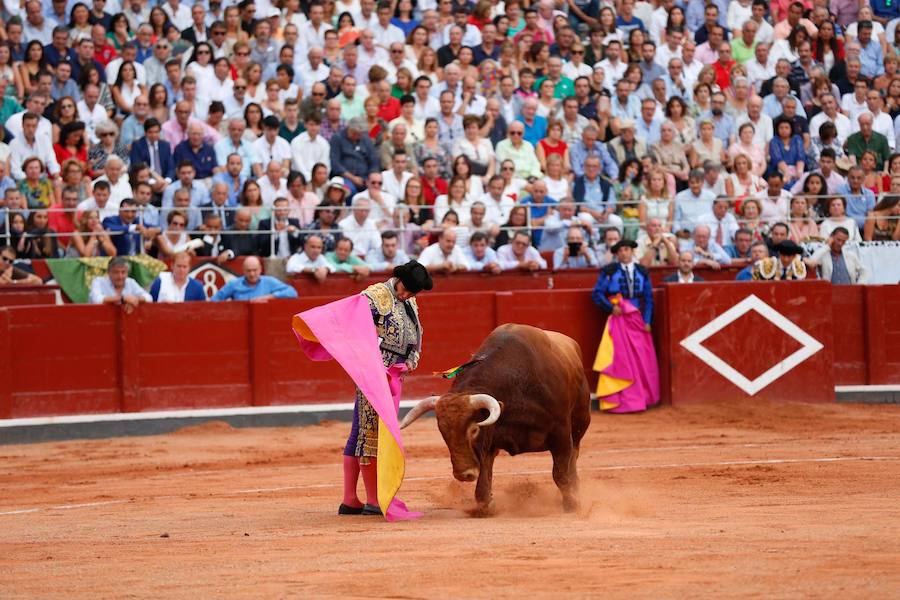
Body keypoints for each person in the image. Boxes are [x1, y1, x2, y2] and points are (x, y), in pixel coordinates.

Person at [337, 260, 432, 516]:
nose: (406, 295)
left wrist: (409, 363)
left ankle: (350, 499)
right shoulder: (374, 295)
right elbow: (352, 328)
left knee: (363, 430)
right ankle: (374, 500)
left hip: (394, 377)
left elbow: (417, 338)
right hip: (372, 373)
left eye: (412, 293)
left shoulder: (410, 302)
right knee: (371, 431)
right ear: (397, 278)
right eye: (405, 290)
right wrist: (372, 363)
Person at [591, 238, 659, 413]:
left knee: (640, 360)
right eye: (620, 251)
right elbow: (597, 294)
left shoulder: (642, 272)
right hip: (620, 320)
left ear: (632, 251)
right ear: (617, 254)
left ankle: (642, 398)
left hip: (637, 320)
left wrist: (647, 321)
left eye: (627, 249)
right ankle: (622, 401)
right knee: (620, 359)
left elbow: (649, 299)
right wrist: (610, 307)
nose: (624, 253)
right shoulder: (609, 271)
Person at [211, 256, 298, 301]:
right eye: (248, 271)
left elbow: (292, 292)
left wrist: (270, 297)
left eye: (255, 270)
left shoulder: (269, 281)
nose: (252, 274)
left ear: (260, 269)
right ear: (243, 271)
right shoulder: (234, 284)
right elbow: (215, 300)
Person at [88, 256, 153, 309]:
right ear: (108, 272)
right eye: (116, 272)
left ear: (127, 273)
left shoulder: (130, 282)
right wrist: (123, 299)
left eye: (123, 272)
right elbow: (97, 300)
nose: (120, 276)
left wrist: (134, 299)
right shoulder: (98, 281)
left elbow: (149, 298)